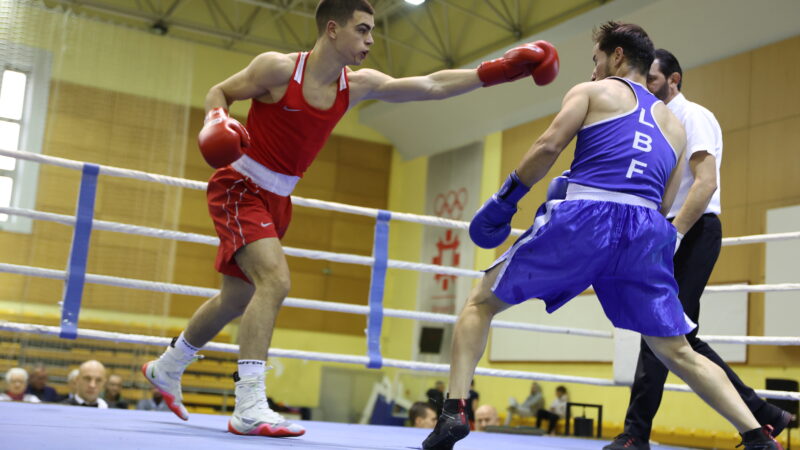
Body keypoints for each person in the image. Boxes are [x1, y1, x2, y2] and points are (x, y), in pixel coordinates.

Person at [142, 0, 559, 439]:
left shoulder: (357, 85)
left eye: (373, 31)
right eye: (363, 30)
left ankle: (167, 367)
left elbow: (432, 85)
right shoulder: (279, 70)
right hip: (240, 186)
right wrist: (216, 119)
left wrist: (502, 70)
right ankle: (248, 403)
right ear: (333, 30)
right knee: (275, 282)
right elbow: (220, 91)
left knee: (235, 298)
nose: (371, 40)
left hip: (278, 198)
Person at [422, 21, 781, 450]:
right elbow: (664, 201)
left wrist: (507, 197)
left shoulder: (593, 92)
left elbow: (547, 146)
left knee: (480, 301)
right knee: (677, 350)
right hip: (646, 231)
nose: (592, 70)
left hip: (586, 217)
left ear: (615, 56)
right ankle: (758, 436)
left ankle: (454, 411)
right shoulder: (675, 125)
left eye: (595, 60)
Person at [604, 49, 795, 450]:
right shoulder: (661, 123)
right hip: (670, 231)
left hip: (692, 230)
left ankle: (636, 435)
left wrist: (672, 236)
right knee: (676, 338)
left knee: (661, 331)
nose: (646, 87)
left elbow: (705, 182)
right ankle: (762, 414)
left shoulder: (695, 116)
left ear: (674, 80)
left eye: (653, 80)